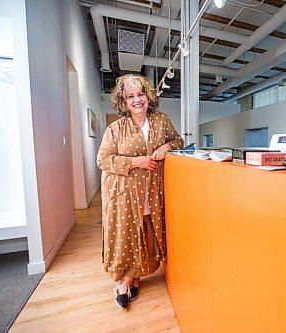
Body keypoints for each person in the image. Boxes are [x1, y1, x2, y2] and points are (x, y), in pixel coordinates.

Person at [97, 74, 184, 310]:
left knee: (145, 233)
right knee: (126, 233)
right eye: (131, 96)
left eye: (140, 94)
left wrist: (166, 146)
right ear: (123, 102)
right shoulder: (115, 128)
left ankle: (133, 276)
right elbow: (103, 160)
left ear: (148, 96)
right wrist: (137, 162)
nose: (137, 100)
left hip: (152, 192)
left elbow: (178, 141)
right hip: (123, 193)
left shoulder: (161, 121)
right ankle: (125, 280)